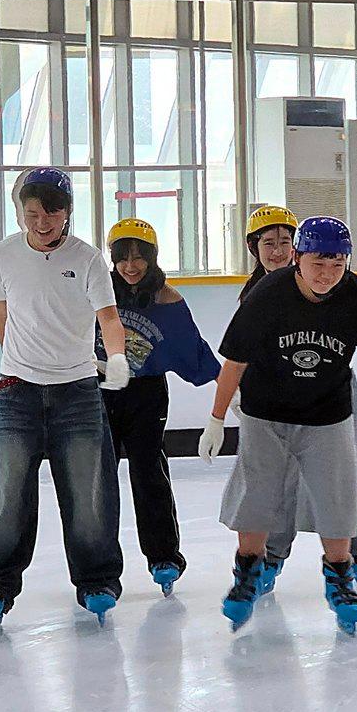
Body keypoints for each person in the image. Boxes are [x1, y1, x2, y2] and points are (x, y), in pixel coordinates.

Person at [199, 216, 357, 636]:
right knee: (258, 494)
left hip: (326, 415)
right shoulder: (268, 295)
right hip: (264, 414)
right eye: (317, 264)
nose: (327, 274)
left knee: (336, 498)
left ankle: (340, 579)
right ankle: (247, 575)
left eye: (337, 264)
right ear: (297, 259)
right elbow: (235, 360)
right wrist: (216, 418)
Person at [0, 168, 130, 633]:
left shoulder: (87, 258)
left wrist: (115, 358)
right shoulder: (3, 253)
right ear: (21, 213)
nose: (43, 223)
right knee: (5, 494)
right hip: (17, 393)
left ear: (67, 212)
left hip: (78, 393)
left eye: (53, 213)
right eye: (33, 214)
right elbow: (2, 309)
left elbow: (109, 317)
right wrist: (12, 361)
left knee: (89, 494)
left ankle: (97, 580)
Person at [241, 205, 357, 595]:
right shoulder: (256, 293)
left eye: (285, 242)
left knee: (346, 470)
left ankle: (353, 547)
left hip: (330, 396)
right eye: (269, 243)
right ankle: (270, 553)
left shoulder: (331, 283)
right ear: (255, 248)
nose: (278, 251)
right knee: (272, 477)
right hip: (274, 401)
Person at [99, 217, 220, 597]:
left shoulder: (166, 297)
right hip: (98, 391)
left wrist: (231, 396)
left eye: (139, 258)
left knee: (149, 471)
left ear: (152, 259)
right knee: (95, 479)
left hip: (146, 393)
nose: (131, 266)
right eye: (123, 258)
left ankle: (164, 556)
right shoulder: (98, 290)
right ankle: (97, 568)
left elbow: (193, 348)